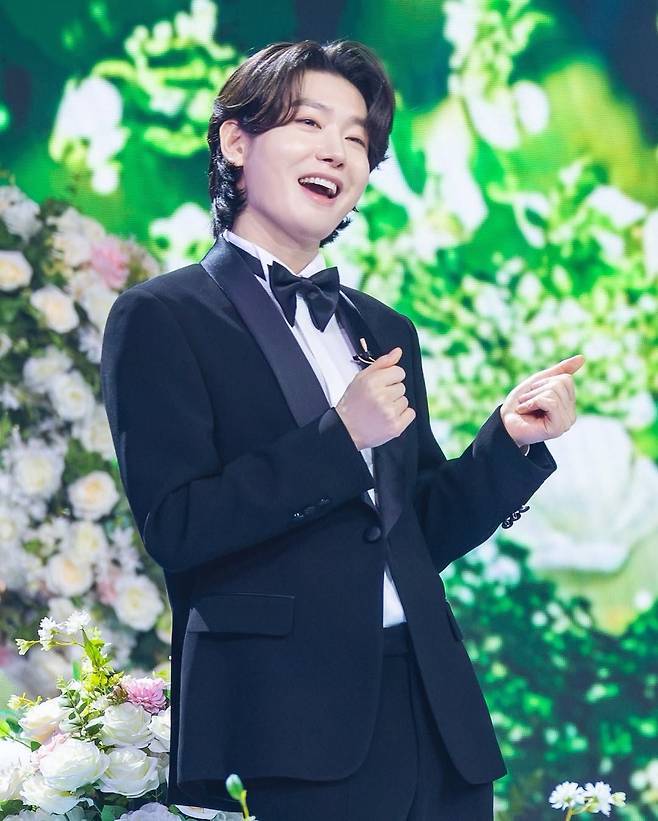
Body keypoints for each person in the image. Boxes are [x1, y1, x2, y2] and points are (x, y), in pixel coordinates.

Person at [101, 39, 582, 821]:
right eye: (309, 124)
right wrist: (340, 436)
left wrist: (510, 439)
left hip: (437, 714)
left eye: (357, 139)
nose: (337, 151)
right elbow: (177, 525)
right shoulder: (161, 316)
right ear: (236, 142)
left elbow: (415, 528)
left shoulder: (383, 326)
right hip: (287, 724)